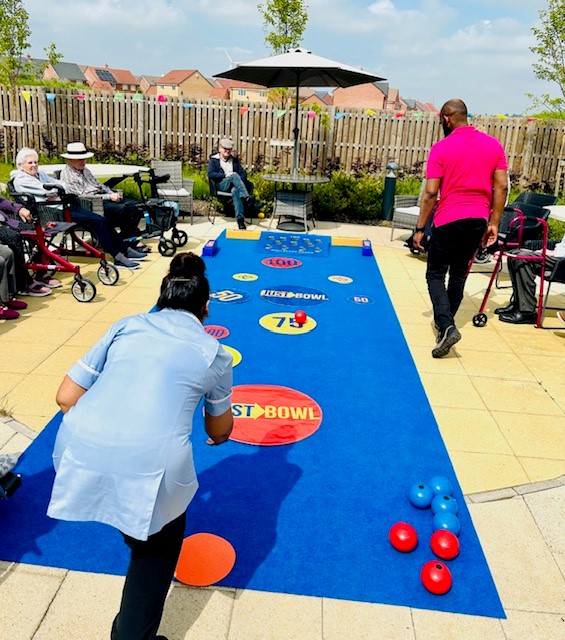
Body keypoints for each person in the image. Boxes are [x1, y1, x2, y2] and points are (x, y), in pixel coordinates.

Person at [46, 251, 234, 640]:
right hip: (152, 465)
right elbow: (219, 429)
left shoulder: (126, 324)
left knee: (140, 529)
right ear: (205, 307)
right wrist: (215, 435)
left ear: (163, 296)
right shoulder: (214, 353)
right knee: (156, 550)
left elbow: (66, 396)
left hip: (77, 445)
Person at [414, 99, 508, 358]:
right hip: (478, 219)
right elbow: (501, 187)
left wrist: (420, 228)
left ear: (446, 119)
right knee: (458, 274)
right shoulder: (493, 145)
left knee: (435, 274)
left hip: (448, 219)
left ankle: (446, 325)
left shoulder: (441, 148)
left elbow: (431, 192)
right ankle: (448, 326)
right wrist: (494, 223)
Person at [10, 148, 144, 269]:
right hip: (52, 212)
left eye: (35, 162)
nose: (34, 165)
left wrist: (55, 192)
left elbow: (61, 186)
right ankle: (117, 255)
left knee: (103, 220)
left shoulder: (40, 174)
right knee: (100, 221)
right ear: (21, 165)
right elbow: (51, 189)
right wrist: (55, 191)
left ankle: (124, 249)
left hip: (63, 205)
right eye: (30, 163)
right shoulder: (22, 179)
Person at [59, 142, 150, 253]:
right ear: (71, 160)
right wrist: (108, 196)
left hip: (101, 197)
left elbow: (98, 185)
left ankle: (125, 237)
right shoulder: (67, 175)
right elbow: (81, 196)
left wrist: (111, 193)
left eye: (84, 159)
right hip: (90, 204)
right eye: (80, 159)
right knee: (121, 209)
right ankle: (130, 241)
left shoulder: (85, 170)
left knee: (136, 205)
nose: (84, 161)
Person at [495, 233, 565, 324]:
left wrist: (554, 253)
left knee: (522, 258)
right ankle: (518, 304)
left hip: (561, 262)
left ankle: (526, 311)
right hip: (557, 256)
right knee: (514, 254)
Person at [0, 195, 54, 295]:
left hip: (7, 223)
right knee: (13, 237)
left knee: (37, 231)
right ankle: (23, 283)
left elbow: (1, 201)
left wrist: (19, 209)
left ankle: (40, 272)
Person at [207, 137, 254, 230]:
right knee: (233, 175)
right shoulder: (214, 160)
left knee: (236, 191)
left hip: (234, 186)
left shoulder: (234, 161)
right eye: (225, 149)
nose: (227, 151)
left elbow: (243, 173)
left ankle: (240, 221)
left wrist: (238, 179)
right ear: (220, 149)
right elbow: (210, 174)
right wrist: (225, 175)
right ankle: (247, 197)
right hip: (221, 185)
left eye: (229, 149)